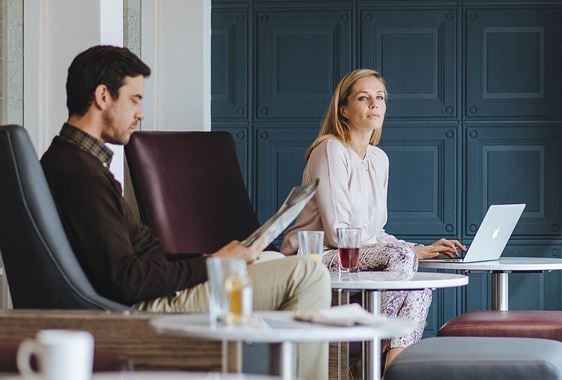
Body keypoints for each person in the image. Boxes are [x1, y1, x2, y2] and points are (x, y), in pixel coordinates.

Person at [41, 45, 330, 379]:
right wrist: (215, 265)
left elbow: (133, 262)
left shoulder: (73, 161)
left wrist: (213, 257)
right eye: (135, 99)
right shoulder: (81, 175)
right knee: (309, 275)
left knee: (275, 261)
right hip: (146, 307)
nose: (141, 113)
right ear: (103, 96)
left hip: (155, 291)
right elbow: (127, 280)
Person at [280, 68, 466, 367]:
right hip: (316, 256)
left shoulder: (379, 159)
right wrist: (407, 252)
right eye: (364, 98)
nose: (374, 105)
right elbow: (338, 235)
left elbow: (376, 231)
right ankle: (372, 360)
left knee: (421, 280)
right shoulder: (330, 149)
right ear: (344, 110)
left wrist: (415, 247)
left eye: (380, 98)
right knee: (404, 257)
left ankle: (390, 366)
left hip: (355, 255)